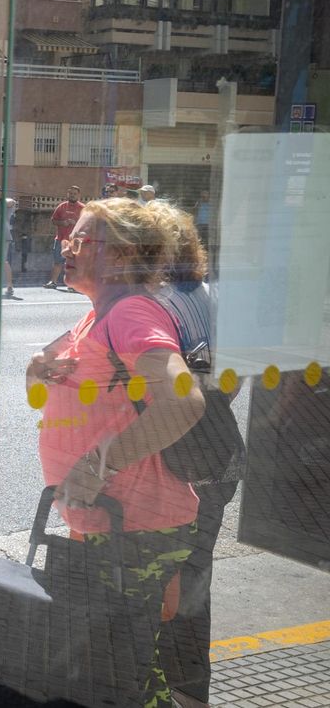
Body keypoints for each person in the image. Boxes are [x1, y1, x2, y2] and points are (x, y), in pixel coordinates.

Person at [26, 197, 204, 708]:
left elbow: (183, 401)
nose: (68, 247)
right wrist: (39, 364)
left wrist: (97, 464)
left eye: (82, 240)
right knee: (125, 669)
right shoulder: (98, 315)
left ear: (124, 256)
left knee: (117, 676)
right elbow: (43, 378)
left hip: (135, 526)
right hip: (111, 523)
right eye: (69, 238)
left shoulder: (130, 313)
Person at [140, 199, 233, 707]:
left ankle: (165, 689)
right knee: (195, 578)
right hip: (219, 454)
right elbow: (231, 383)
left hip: (177, 464)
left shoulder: (157, 306)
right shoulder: (210, 296)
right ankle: (191, 693)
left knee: (163, 585)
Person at [45, 185, 84, 291]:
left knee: (73, 264)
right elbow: (53, 220)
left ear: (79, 195)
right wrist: (63, 223)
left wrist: (76, 224)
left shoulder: (82, 208)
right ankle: (53, 281)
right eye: (70, 193)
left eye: (74, 194)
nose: (72, 195)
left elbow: (86, 224)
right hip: (60, 239)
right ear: (67, 194)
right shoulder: (62, 206)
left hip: (75, 241)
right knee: (57, 261)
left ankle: (72, 285)